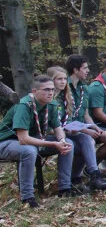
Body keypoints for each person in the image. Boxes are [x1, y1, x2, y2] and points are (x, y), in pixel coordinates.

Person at [0, 75, 76, 207]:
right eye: (46, 90)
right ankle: (27, 197)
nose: (50, 93)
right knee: (29, 150)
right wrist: (54, 144)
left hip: (34, 138)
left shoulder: (51, 104)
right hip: (7, 142)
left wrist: (62, 140)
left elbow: (58, 128)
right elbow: (23, 139)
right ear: (34, 91)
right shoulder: (24, 106)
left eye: (52, 89)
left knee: (68, 144)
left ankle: (65, 188)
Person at [47, 66, 106, 193]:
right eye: (59, 79)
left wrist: (76, 129)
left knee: (87, 139)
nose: (63, 82)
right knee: (69, 144)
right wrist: (67, 131)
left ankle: (94, 175)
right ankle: (65, 187)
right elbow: (47, 127)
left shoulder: (66, 97)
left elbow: (68, 120)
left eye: (64, 79)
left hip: (65, 132)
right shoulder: (48, 98)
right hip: (50, 135)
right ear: (51, 81)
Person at [63, 54, 106, 163]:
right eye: (85, 68)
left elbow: (86, 114)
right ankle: (81, 171)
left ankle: (91, 168)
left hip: (83, 125)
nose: (88, 70)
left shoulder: (84, 88)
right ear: (75, 70)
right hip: (69, 128)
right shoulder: (64, 88)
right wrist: (86, 131)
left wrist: (94, 127)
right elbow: (65, 121)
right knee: (89, 141)